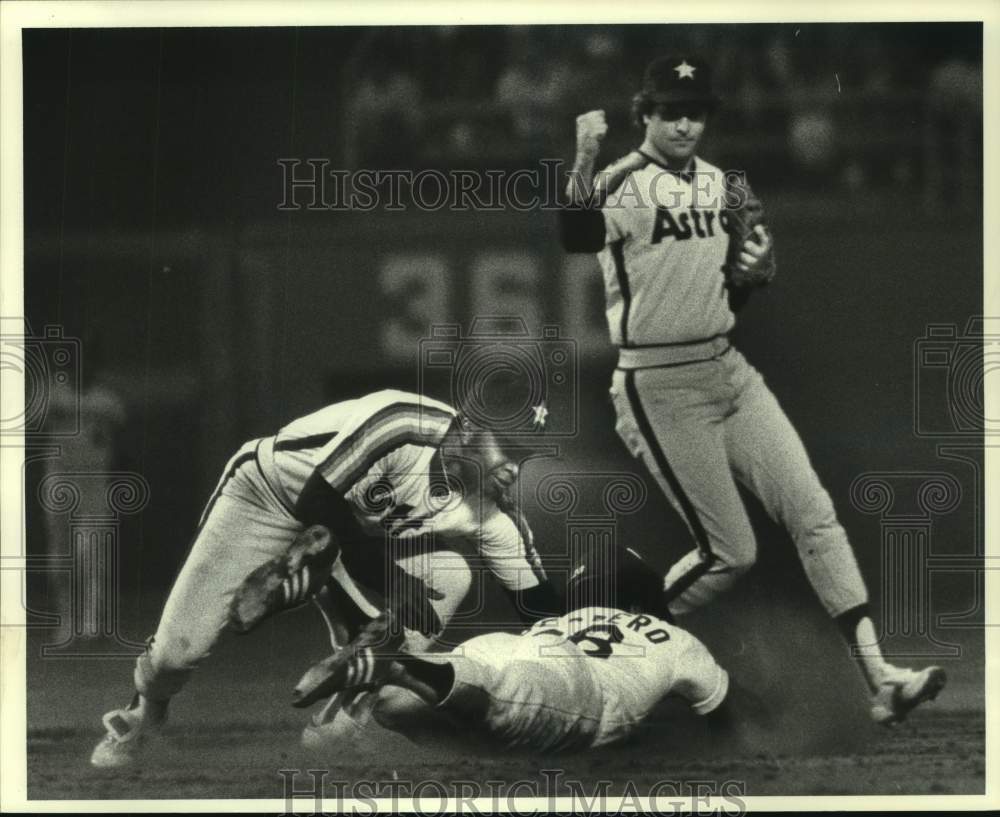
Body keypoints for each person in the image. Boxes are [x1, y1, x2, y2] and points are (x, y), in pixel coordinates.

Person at [557, 54, 945, 725]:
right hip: (659, 382)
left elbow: (733, 288)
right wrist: (583, 160)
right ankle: (603, 657)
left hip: (728, 367)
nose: (684, 122)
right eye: (670, 110)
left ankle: (881, 677)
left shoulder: (724, 185)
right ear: (643, 115)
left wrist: (753, 275)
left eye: (696, 111)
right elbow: (574, 234)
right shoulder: (623, 181)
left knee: (814, 510)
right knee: (731, 553)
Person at [90, 388, 559, 768]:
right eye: (508, 449)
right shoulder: (404, 422)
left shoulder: (493, 515)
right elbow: (319, 497)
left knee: (450, 575)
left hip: (348, 532)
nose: (513, 469)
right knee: (176, 655)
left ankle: (346, 708)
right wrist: (390, 582)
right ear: (467, 432)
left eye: (523, 456)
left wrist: (602, 631)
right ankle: (144, 713)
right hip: (268, 494)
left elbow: (540, 610)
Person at [291, 545, 743, 753]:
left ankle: (339, 585)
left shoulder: (567, 617)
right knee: (499, 704)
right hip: (577, 688)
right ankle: (398, 663)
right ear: (641, 601)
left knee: (394, 709)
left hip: (509, 647)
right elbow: (725, 716)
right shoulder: (677, 640)